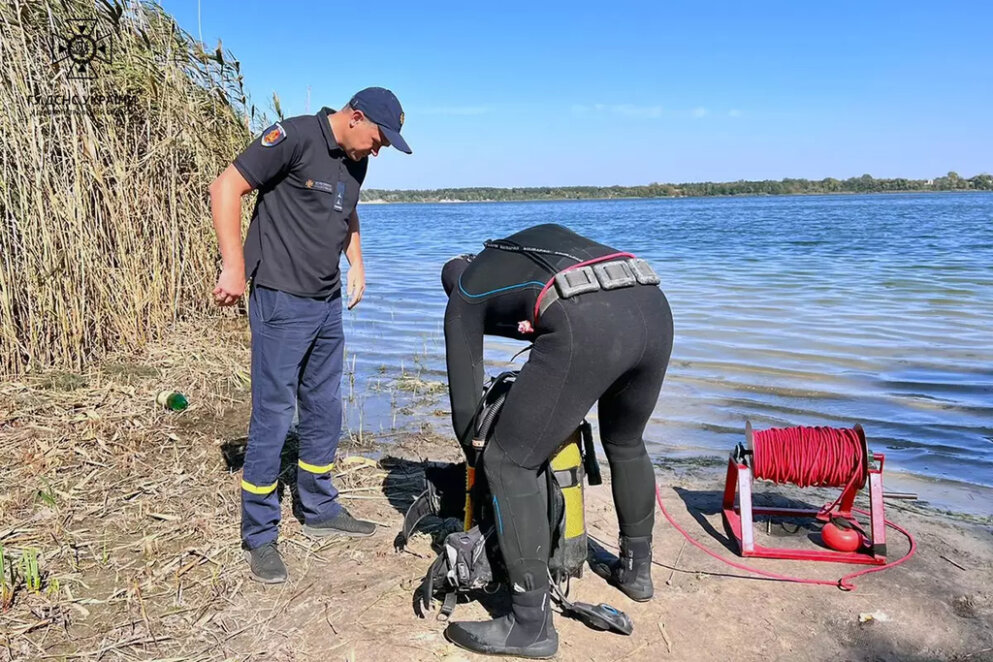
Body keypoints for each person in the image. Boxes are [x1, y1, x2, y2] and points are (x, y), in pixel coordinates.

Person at [439, 223, 673, 658]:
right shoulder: (525, 251)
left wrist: (487, 453)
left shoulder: (464, 292)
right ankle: (637, 572)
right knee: (626, 442)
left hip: (586, 318)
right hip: (652, 304)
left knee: (509, 462)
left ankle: (529, 625)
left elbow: (466, 418)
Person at [209, 87, 412, 584]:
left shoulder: (356, 158)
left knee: (324, 404)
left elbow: (348, 212)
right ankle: (259, 535)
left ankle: (320, 509)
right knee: (275, 411)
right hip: (280, 298)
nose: (380, 149)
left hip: (325, 302)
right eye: (380, 138)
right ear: (356, 116)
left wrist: (357, 261)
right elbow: (225, 187)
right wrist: (234, 267)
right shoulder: (294, 136)